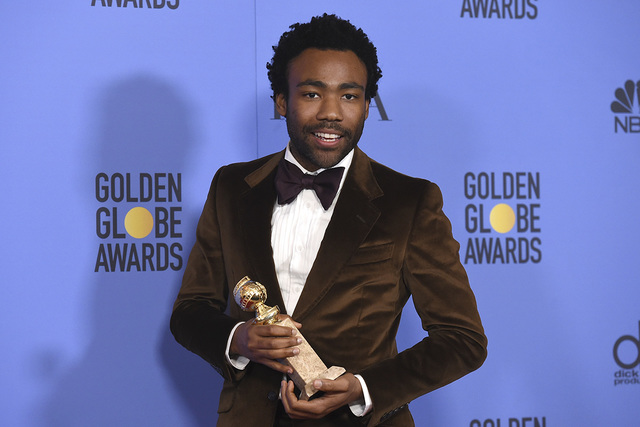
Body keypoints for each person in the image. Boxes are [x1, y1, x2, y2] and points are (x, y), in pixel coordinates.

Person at [170, 13, 487, 427]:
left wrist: (363, 389)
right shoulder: (232, 187)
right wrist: (238, 339)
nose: (332, 113)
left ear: (368, 106)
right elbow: (190, 311)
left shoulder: (409, 202)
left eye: (349, 96)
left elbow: (462, 339)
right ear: (282, 101)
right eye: (312, 94)